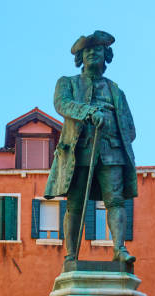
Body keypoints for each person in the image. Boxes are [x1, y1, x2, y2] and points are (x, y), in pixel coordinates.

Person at [44, 30, 138, 263]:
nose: (93, 53)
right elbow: (62, 104)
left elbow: (130, 128)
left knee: (115, 200)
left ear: (106, 55)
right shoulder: (67, 83)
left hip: (112, 150)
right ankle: (71, 255)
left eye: (98, 50)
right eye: (88, 50)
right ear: (80, 57)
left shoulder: (116, 91)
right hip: (79, 150)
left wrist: (114, 134)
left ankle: (119, 248)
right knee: (75, 203)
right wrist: (89, 112)